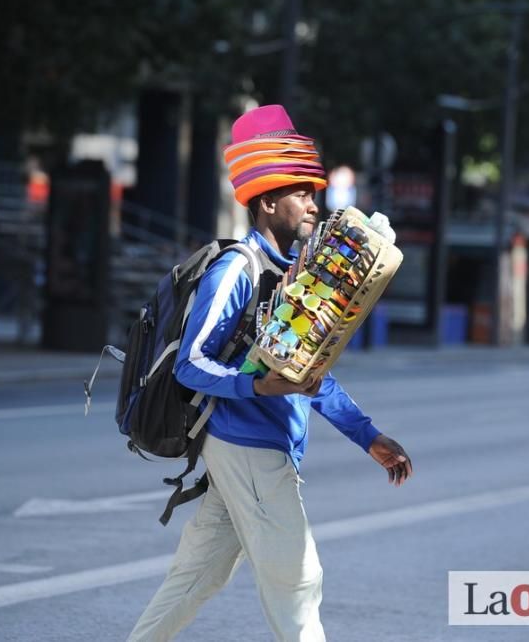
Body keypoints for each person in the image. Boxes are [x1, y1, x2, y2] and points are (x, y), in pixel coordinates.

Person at [127, 105, 413, 642]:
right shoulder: (237, 269)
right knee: (298, 582)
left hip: (260, 449)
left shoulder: (295, 274)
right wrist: (254, 385)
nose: (313, 204)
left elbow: (309, 375)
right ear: (267, 203)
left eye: (313, 191)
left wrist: (368, 436)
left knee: (194, 579)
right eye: (302, 193)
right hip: (248, 447)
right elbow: (191, 364)